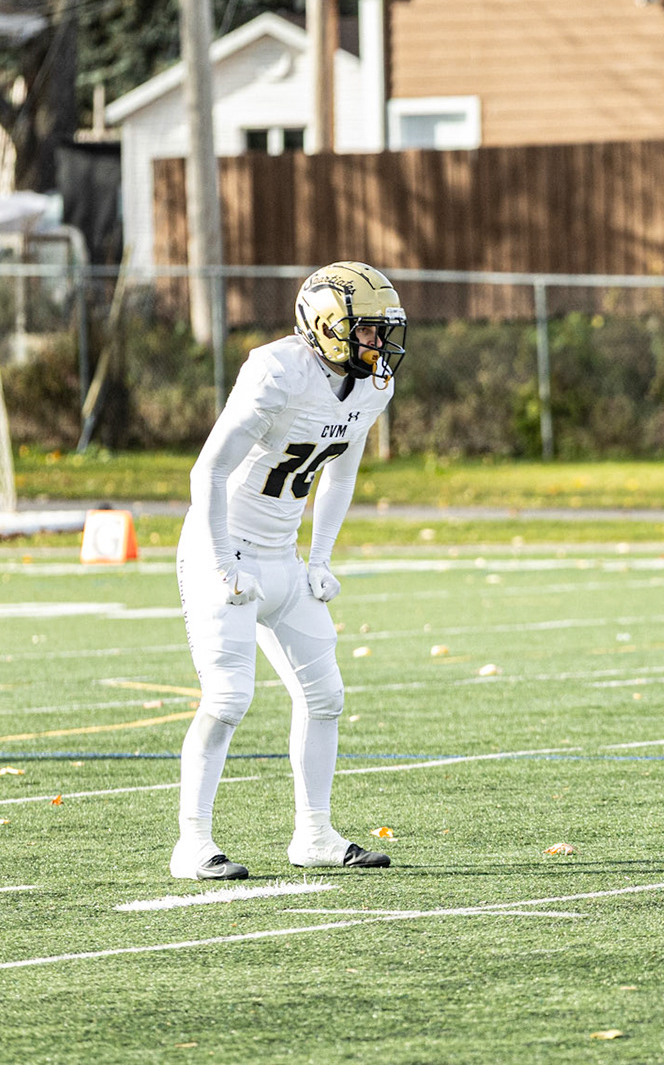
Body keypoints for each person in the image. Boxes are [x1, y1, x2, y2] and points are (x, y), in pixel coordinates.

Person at [170, 262, 407, 880]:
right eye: (367, 330)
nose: (378, 343)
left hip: (282, 555)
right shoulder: (277, 371)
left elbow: (340, 474)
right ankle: (192, 843)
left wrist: (320, 558)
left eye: (382, 331)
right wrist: (222, 564)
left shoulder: (371, 386)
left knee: (326, 696)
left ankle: (315, 835)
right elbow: (208, 472)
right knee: (228, 698)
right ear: (326, 326)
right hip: (223, 549)